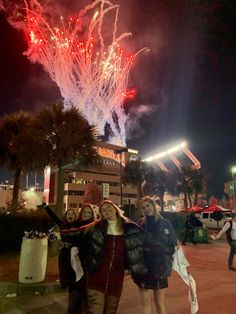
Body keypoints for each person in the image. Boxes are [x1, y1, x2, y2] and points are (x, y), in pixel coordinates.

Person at [60, 199, 148, 314]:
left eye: (109, 207)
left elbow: (148, 239)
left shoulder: (130, 227)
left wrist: (170, 244)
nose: (107, 211)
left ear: (115, 209)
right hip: (96, 276)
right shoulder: (95, 227)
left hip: (116, 279)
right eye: (103, 210)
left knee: (111, 311)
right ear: (101, 214)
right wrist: (60, 236)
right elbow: (74, 233)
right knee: (95, 310)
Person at [42, 203, 95, 314]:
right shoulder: (75, 225)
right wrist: (46, 207)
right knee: (74, 292)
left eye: (89, 213)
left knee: (82, 295)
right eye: (84, 212)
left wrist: (64, 238)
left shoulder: (92, 227)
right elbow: (57, 220)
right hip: (71, 262)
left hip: (85, 264)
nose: (86, 214)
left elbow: (78, 237)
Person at [133, 196, 177, 314]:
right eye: (143, 208)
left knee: (159, 302)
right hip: (144, 267)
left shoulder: (165, 223)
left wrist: (155, 247)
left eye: (148, 206)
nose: (146, 209)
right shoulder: (141, 224)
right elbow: (137, 244)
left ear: (153, 205)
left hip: (159, 266)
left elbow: (172, 244)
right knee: (145, 303)